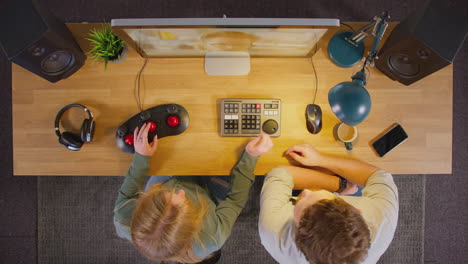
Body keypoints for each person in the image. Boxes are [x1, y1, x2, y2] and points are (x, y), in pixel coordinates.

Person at [113, 122, 273, 263]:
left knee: (175, 148)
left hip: (169, 179)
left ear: (143, 204)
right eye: (182, 200)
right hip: (210, 195)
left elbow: (129, 192)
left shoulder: (124, 220)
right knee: (228, 156)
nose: (181, 192)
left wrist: (141, 157)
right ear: (194, 224)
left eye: (165, 194)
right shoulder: (212, 237)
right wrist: (251, 156)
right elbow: (235, 201)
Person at [259, 144, 398, 264]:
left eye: (299, 205)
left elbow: (280, 173)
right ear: (357, 210)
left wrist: (337, 185)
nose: (306, 191)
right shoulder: (383, 215)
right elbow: (377, 175)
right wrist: (320, 159)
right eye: (323, 196)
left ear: (297, 235)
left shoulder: (274, 230)